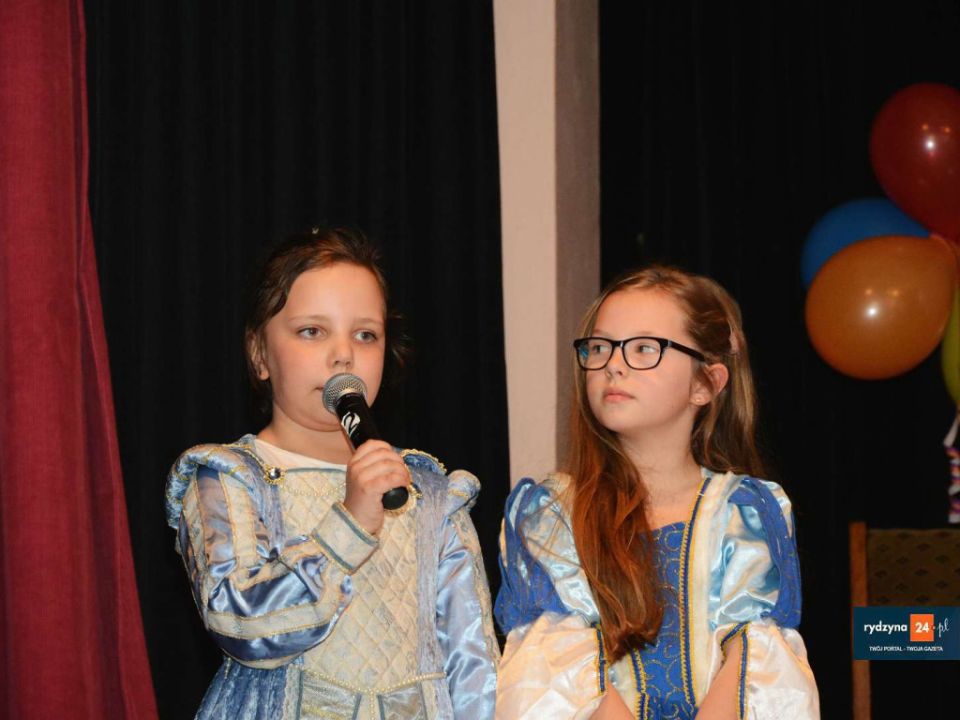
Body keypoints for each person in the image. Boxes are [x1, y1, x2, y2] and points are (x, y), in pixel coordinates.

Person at [164, 227, 499, 719]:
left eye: (365, 335)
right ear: (259, 354)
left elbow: (473, 663)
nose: (344, 354)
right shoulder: (230, 477)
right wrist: (350, 525)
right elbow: (239, 622)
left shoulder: (426, 491)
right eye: (312, 331)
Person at [494, 265, 819, 719]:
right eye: (600, 347)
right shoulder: (552, 514)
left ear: (706, 384)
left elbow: (751, 659)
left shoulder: (744, 512)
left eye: (644, 348)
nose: (613, 365)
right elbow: (557, 668)